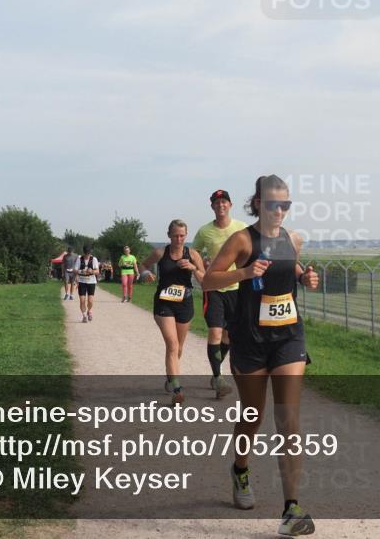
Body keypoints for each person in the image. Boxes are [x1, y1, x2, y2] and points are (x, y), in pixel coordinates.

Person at [202, 175, 319, 537]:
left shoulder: (291, 238)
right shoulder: (242, 239)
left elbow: (291, 269)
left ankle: (291, 508)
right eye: (273, 204)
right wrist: (244, 271)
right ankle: (240, 468)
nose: (280, 210)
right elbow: (208, 280)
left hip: (288, 337)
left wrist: (305, 278)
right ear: (258, 203)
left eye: (286, 204)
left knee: (288, 418)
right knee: (252, 415)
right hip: (250, 340)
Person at [141, 220, 205, 406]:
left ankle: (170, 376)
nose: (178, 239)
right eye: (175, 235)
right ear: (169, 235)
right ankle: (177, 389)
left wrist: (193, 268)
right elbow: (143, 265)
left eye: (182, 235)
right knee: (172, 344)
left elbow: (205, 280)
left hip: (185, 303)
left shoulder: (193, 254)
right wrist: (145, 274)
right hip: (164, 303)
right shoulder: (161, 253)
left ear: (186, 235)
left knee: (179, 348)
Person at [193, 189, 247, 398]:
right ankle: (218, 377)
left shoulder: (241, 228)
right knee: (215, 332)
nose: (221, 205)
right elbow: (194, 251)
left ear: (230, 205)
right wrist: (201, 269)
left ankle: (217, 371)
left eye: (224, 202)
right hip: (214, 288)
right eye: (217, 202)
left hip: (237, 289)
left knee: (228, 336)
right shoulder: (205, 231)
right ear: (212, 207)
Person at [75, 244, 99, 323]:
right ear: (84, 252)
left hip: (91, 282)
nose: (87, 255)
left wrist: (91, 271)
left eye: (88, 253)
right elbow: (75, 270)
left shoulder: (94, 259)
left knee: (90, 301)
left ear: (90, 252)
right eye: (86, 253)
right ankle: (84, 315)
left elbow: (97, 271)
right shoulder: (79, 259)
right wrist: (81, 271)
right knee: (82, 300)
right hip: (82, 282)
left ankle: (89, 311)